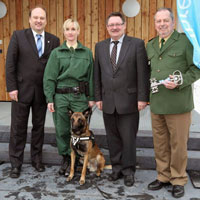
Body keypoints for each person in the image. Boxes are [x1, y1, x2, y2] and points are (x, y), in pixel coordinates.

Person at [146, 8, 200, 198]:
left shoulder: (185, 42)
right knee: (160, 143)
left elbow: (196, 69)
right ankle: (163, 176)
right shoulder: (151, 45)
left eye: (165, 21)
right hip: (158, 103)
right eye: (158, 21)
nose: (162, 24)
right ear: (155, 24)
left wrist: (180, 81)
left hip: (178, 104)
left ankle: (178, 179)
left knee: (178, 144)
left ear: (173, 22)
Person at [94, 12, 150, 187]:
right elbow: (97, 74)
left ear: (124, 26)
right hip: (108, 101)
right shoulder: (100, 46)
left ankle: (128, 171)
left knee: (128, 139)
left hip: (130, 101)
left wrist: (142, 98)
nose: (115, 27)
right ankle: (116, 169)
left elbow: (143, 73)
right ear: (107, 27)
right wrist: (98, 97)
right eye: (111, 25)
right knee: (112, 138)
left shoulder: (137, 44)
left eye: (118, 24)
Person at [6, 5, 60, 178]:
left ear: (46, 20)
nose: (38, 21)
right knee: (18, 128)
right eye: (35, 17)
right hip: (21, 91)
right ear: (29, 19)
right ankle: (16, 163)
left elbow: (54, 69)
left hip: (42, 93)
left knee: (39, 127)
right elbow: (10, 64)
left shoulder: (54, 40)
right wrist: (12, 87)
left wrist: (51, 93)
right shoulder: (18, 36)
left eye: (42, 18)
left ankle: (37, 160)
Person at [43, 19, 95, 176]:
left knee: (80, 129)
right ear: (63, 32)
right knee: (63, 130)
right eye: (67, 29)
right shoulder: (56, 53)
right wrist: (49, 98)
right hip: (61, 97)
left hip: (79, 97)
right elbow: (49, 77)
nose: (71, 32)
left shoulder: (86, 53)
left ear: (79, 31)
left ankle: (79, 157)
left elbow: (91, 77)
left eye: (73, 29)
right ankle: (66, 158)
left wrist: (91, 97)